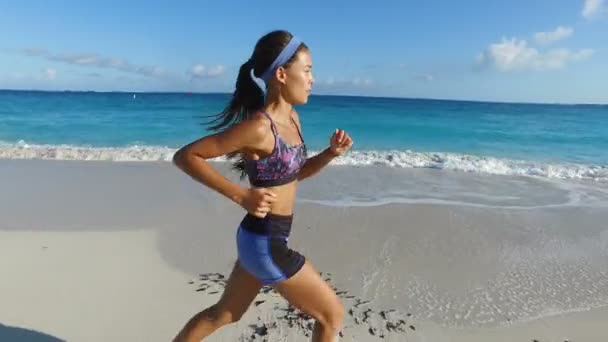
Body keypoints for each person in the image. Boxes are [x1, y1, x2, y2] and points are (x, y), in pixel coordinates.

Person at [172, 30, 353, 342]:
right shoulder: (259, 128)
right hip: (266, 243)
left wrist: (329, 154)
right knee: (331, 315)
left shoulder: (293, 119)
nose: (312, 79)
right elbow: (187, 156)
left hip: (260, 238)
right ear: (282, 74)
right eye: (307, 70)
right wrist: (241, 195)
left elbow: (293, 175)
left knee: (224, 314)